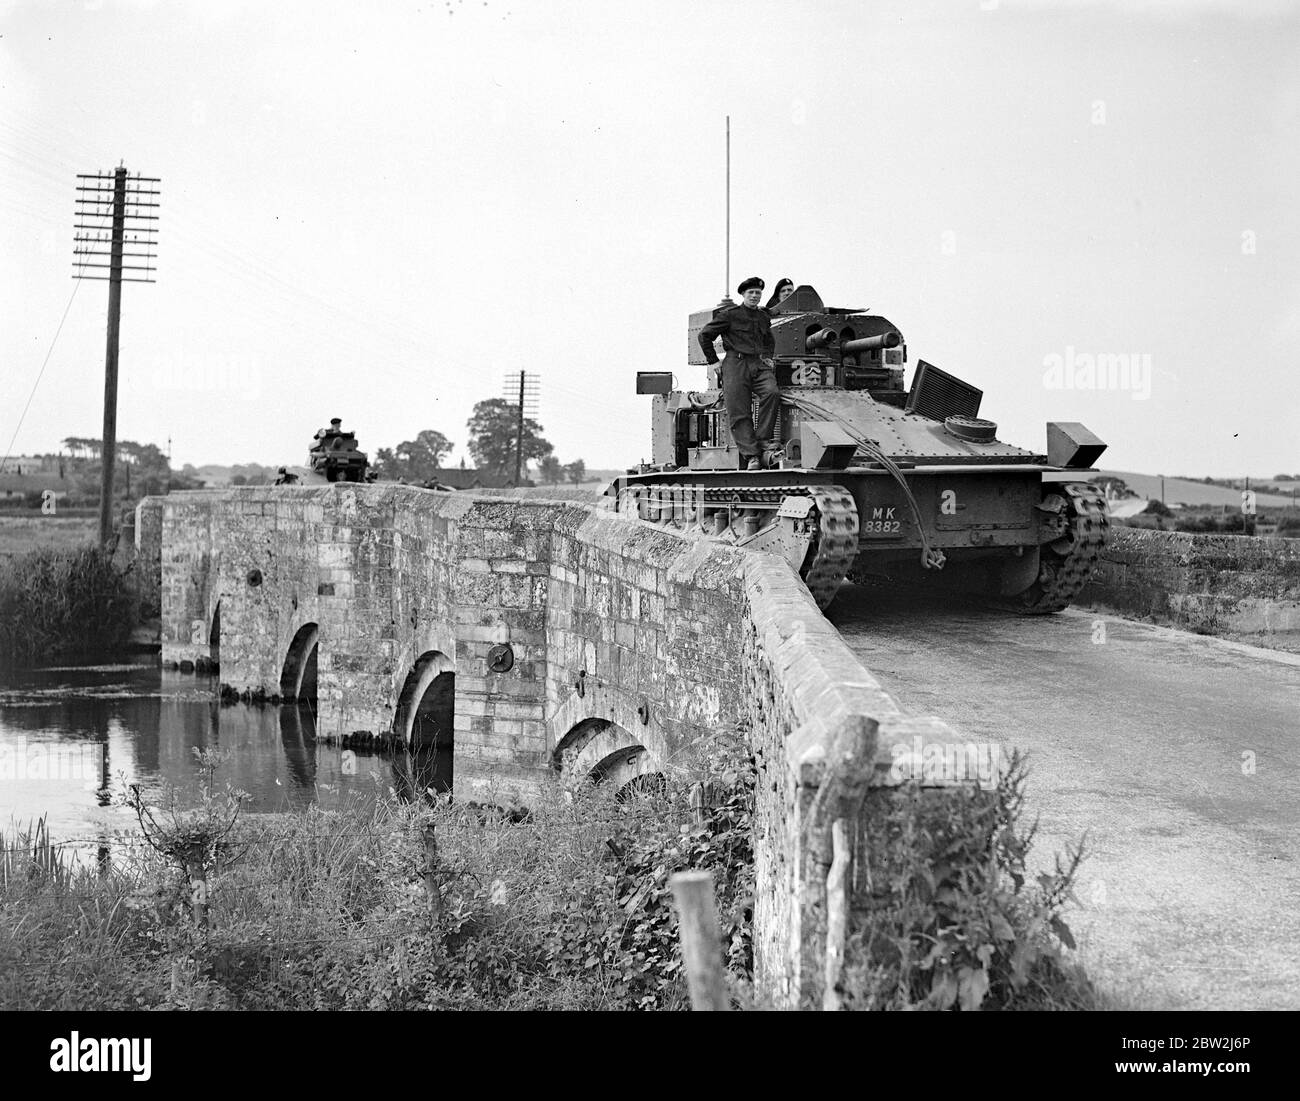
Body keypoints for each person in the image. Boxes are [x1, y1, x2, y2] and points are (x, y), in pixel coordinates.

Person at [698, 276, 779, 470]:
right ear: (743, 294)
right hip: (735, 363)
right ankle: (752, 456)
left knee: (772, 392)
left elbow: (769, 339)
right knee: (739, 411)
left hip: (757, 363)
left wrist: (768, 356)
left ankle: (761, 440)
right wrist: (714, 361)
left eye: (758, 293)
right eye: (751, 292)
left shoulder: (762, 317)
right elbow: (705, 335)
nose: (754, 296)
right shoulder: (730, 314)